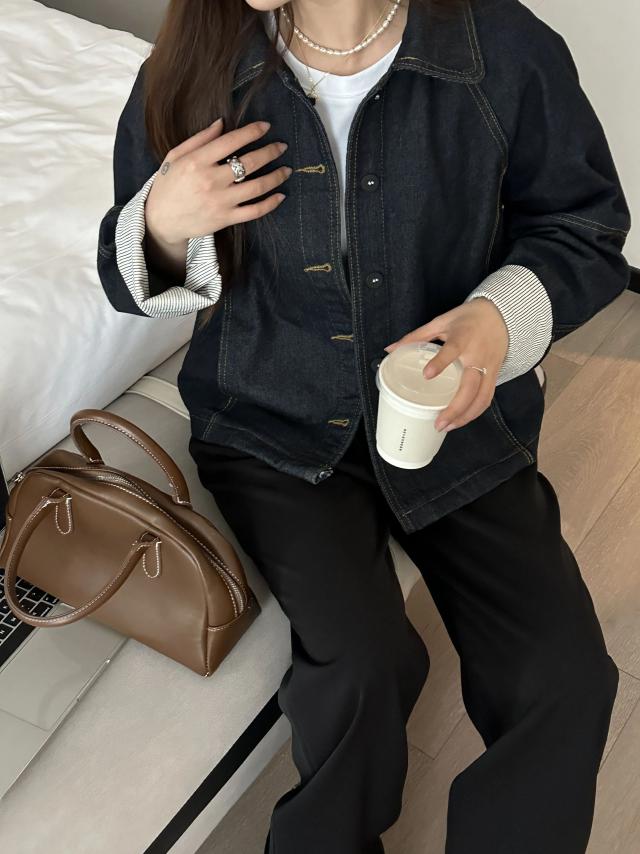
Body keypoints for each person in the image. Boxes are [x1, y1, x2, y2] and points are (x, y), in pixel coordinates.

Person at [96, 1, 632, 851]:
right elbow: (125, 276)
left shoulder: (504, 47)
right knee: (360, 669)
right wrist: (162, 222)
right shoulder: (195, 61)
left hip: (453, 417)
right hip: (271, 425)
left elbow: (585, 228)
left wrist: (498, 319)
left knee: (563, 681)